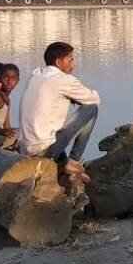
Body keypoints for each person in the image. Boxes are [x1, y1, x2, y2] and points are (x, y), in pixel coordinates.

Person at [19, 42, 99, 181]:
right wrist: (75, 97)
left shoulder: (36, 74)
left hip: (25, 147)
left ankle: (62, 164)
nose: (72, 66)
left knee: (52, 125)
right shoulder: (62, 79)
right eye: (70, 60)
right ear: (58, 62)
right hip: (44, 149)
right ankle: (73, 161)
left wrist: (69, 97)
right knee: (92, 109)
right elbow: (94, 98)